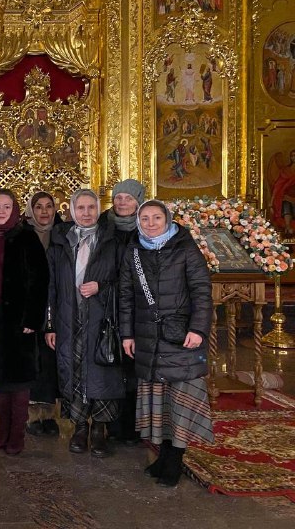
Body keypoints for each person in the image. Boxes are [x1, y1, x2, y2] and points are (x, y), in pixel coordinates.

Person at [120, 200, 213, 487]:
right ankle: (163, 456)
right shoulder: (133, 251)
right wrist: (127, 334)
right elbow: (125, 296)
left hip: (181, 337)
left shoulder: (186, 248)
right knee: (159, 404)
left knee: (180, 403)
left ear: (167, 219)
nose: (150, 223)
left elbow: (202, 291)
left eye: (156, 217)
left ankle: (174, 460)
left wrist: (198, 329)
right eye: (145, 218)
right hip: (148, 338)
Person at [46, 189, 123, 458]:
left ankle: (100, 429)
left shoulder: (112, 239)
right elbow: (51, 285)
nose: (87, 213)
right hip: (69, 318)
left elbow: (124, 281)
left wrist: (101, 286)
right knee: (75, 372)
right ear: (72, 210)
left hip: (101, 319)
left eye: (92, 207)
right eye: (81, 208)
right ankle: (79, 427)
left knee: (101, 371)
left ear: (99, 209)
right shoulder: (61, 240)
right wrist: (50, 324)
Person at [0, 189, 48, 455]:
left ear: (15, 210)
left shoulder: (27, 238)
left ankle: (17, 434)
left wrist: (33, 318)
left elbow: (40, 281)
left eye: (6, 206)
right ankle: (2, 430)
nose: (0, 211)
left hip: (19, 320)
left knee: (19, 380)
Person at [100, 179, 145, 444]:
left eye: (128, 198)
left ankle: (135, 425)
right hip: (108, 305)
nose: (122, 203)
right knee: (111, 364)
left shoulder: (147, 227)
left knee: (135, 368)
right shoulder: (104, 227)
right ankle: (113, 425)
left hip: (139, 308)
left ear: (139, 200)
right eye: (118, 198)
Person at [23, 191, 63, 436]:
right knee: (32, 361)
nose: (44, 212)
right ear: (31, 210)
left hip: (57, 305)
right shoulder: (23, 235)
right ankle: (31, 416)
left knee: (51, 362)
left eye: (49, 206)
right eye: (39, 207)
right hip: (31, 306)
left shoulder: (62, 234)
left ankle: (49, 415)